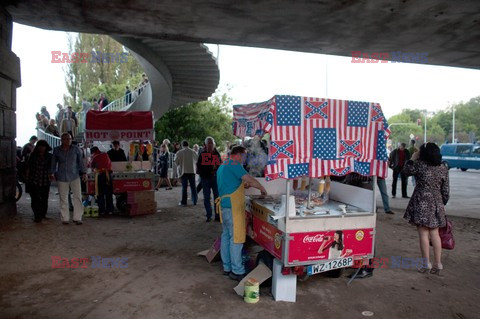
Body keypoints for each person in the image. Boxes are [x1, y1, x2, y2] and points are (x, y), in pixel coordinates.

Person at [216, 146, 267, 281]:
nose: (244, 160)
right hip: (233, 207)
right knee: (236, 239)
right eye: (244, 157)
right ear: (238, 155)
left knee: (226, 236)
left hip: (224, 206)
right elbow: (249, 178)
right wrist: (262, 189)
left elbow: (230, 184)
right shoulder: (234, 164)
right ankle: (237, 271)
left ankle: (227, 267)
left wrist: (244, 185)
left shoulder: (224, 165)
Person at [403, 143, 449, 275]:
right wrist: (441, 204)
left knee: (423, 233)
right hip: (437, 203)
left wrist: (412, 158)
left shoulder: (419, 165)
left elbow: (405, 171)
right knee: (435, 233)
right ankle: (438, 264)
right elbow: (445, 191)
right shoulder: (443, 168)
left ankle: (426, 264)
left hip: (421, 202)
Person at [50, 133, 86, 225]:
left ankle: (77, 217)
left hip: (75, 176)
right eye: (65, 139)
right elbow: (53, 163)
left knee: (77, 196)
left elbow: (80, 162)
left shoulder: (76, 149)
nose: (67, 140)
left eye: (69, 139)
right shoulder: (56, 150)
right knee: (63, 198)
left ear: (71, 140)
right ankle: (64, 218)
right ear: (61, 140)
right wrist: (52, 173)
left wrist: (84, 173)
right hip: (61, 176)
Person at [25, 140, 53, 223]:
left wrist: (51, 175)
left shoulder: (49, 156)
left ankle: (43, 214)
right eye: (40, 146)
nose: (41, 148)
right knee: (35, 198)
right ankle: (37, 215)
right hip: (34, 179)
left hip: (45, 180)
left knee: (44, 198)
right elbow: (28, 166)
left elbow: (52, 168)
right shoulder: (33, 155)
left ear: (46, 147)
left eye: (43, 146)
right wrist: (27, 177)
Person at [197, 137, 222, 222]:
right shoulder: (202, 154)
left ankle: (217, 215)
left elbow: (220, 165)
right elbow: (198, 167)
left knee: (217, 197)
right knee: (207, 197)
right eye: (209, 143)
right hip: (205, 179)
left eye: (211, 143)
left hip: (215, 178)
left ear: (214, 144)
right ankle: (209, 215)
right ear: (205, 145)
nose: (210, 145)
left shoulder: (216, 154)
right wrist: (203, 175)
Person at [89, 147, 114, 216]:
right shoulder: (106, 154)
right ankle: (110, 210)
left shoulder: (95, 157)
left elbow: (91, 166)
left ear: (93, 152)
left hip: (100, 176)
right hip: (109, 175)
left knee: (100, 193)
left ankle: (102, 210)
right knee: (109, 193)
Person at [175, 140, 198, 206]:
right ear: (188, 145)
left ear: (182, 145)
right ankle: (195, 201)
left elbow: (176, 162)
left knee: (184, 188)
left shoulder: (179, 152)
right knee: (193, 187)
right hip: (192, 171)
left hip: (183, 171)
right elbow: (197, 160)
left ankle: (184, 202)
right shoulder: (193, 152)